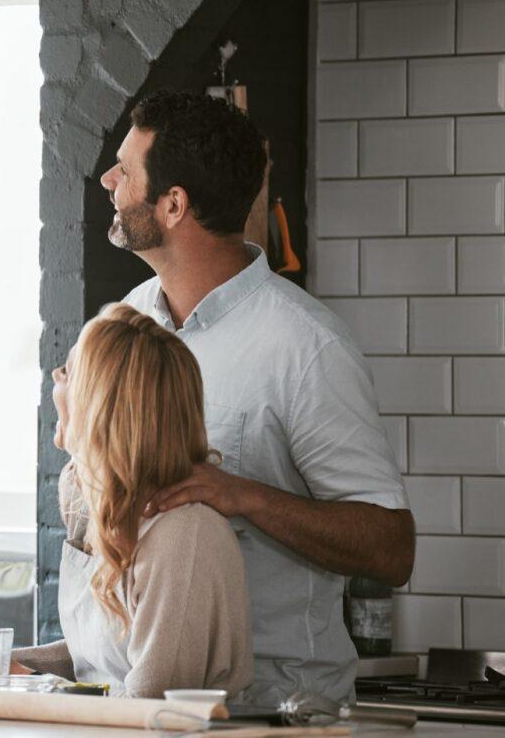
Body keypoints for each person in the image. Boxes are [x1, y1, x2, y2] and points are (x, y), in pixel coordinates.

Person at [101, 90, 411, 705]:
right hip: (141, 700)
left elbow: (390, 548)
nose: (108, 180)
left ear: (173, 205)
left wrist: (240, 495)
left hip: (277, 710)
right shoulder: (124, 323)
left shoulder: (306, 346)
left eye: (126, 170)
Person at [13, 304, 252, 698]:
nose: (55, 380)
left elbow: (150, 707)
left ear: (99, 408)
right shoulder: (108, 509)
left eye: (67, 372)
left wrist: (40, 687)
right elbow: (99, 654)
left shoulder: (183, 536)